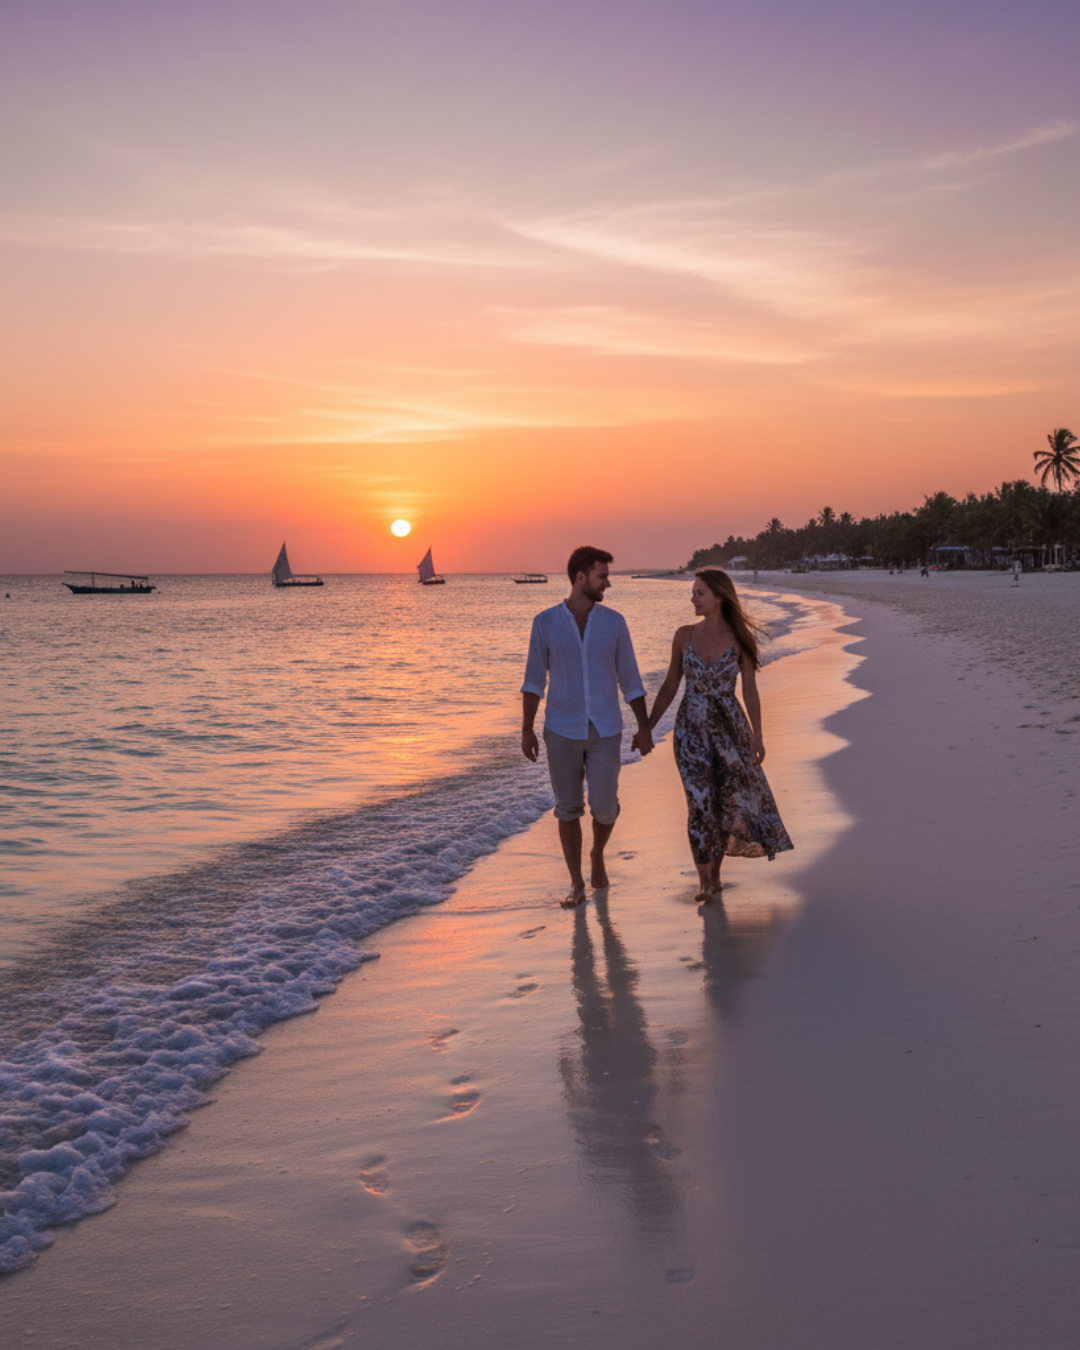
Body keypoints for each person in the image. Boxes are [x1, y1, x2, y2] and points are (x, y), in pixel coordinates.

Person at [637, 566, 792, 903]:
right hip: (690, 731)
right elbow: (669, 686)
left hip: (729, 730)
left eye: (699, 593)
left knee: (723, 803)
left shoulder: (740, 640)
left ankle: (716, 874)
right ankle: (704, 880)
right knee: (699, 804)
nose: (693, 598)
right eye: (693, 592)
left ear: (719, 597)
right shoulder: (683, 636)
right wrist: (647, 725)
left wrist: (758, 735)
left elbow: (749, 689)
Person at [521, 545, 654, 908]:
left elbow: (631, 679)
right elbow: (534, 681)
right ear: (581, 578)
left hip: (605, 729)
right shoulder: (545, 623)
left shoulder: (614, 623)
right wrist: (527, 729)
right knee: (567, 809)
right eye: (602, 576)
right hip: (560, 729)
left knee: (605, 807)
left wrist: (644, 728)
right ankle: (577, 883)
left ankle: (597, 854)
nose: (608, 583)